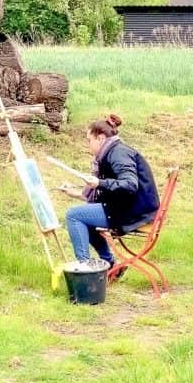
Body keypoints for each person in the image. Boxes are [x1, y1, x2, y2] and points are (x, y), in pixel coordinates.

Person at [63, 113, 160, 273]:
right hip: (133, 209)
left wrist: (100, 183)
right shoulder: (114, 151)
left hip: (133, 212)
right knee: (84, 215)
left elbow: (130, 184)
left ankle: (86, 271)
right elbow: (107, 191)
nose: (88, 145)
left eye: (89, 140)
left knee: (74, 215)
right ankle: (110, 264)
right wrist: (73, 192)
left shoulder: (118, 153)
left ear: (100, 138)